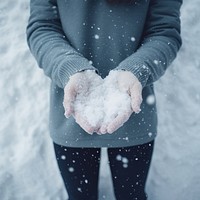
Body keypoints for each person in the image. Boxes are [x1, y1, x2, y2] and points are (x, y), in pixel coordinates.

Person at [26, 0, 182, 199]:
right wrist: (69, 68)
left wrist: (137, 69)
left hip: (132, 109)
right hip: (74, 110)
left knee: (131, 196)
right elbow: (42, 27)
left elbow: (165, 31)